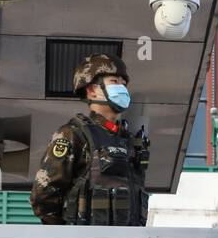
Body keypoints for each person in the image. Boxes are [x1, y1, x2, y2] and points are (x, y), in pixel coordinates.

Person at [30, 53, 150, 225]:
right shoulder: (73, 135)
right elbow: (43, 198)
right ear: (92, 91)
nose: (122, 88)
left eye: (124, 84)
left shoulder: (130, 142)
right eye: (114, 82)